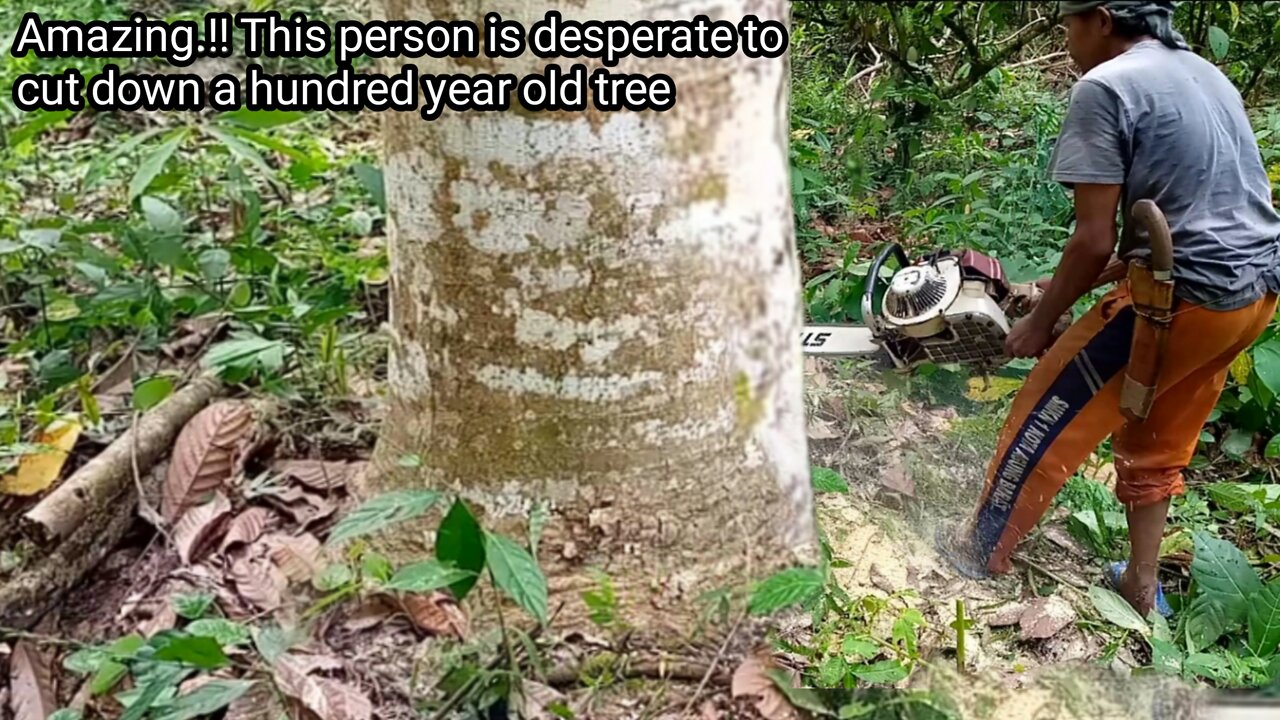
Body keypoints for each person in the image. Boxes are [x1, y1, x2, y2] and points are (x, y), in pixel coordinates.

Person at [939, 0, 1280, 618]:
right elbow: (1182, 220)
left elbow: (1094, 237)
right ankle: (1140, 587)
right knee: (1156, 437)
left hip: (1178, 300)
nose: (1065, 38)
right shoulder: (1202, 71)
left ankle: (975, 552)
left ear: (1100, 19)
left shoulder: (1105, 86)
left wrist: (1040, 324)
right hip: (1250, 298)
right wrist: (1057, 289)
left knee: (1041, 415)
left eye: (1067, 24)